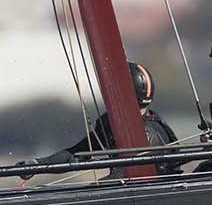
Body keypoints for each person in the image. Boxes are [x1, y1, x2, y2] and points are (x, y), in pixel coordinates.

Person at [25, 62, 179, 175]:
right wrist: (37, 164)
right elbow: (78, 152)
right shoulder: (114, 124)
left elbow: (127, 177)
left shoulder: (146, 133)